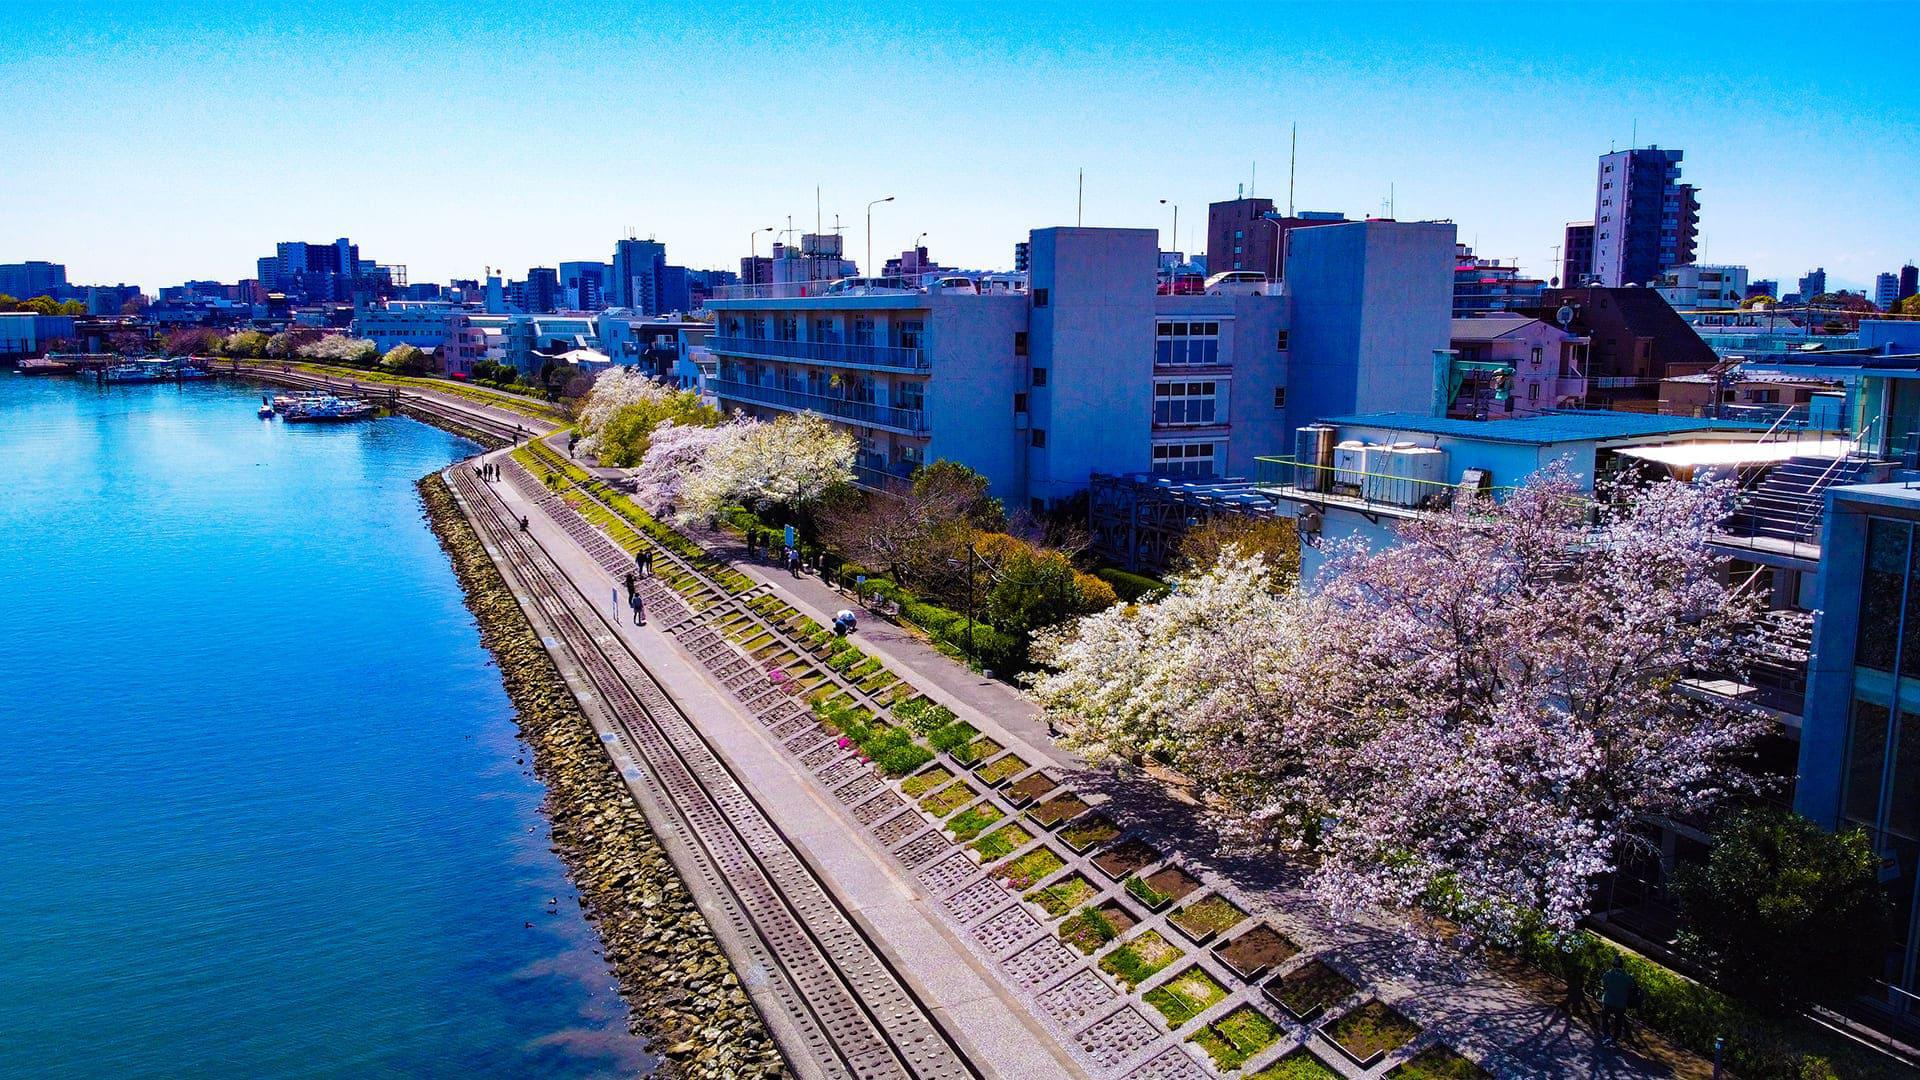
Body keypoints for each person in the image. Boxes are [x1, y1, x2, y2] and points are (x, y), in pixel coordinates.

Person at [1600, 955, 1636, 1044]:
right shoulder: (1627, 977)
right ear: (1622, 965)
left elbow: (1604, 985)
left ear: (1612, 964)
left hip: (1608, 1001)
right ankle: (1615, 1039)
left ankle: (1606, 1034)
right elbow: (1632, 987)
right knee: (1618, 1022)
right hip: (1621, 1003)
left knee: (1604, 1017)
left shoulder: (1608, 974)